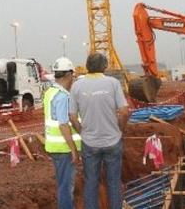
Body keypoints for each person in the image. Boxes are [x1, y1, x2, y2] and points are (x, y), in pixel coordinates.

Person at [69, 53, 129, 209]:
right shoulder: (113, 83)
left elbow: (72, 115)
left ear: (88, 66)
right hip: (112, 141)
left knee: (91, 182)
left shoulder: (77, 86)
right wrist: (119, 130)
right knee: (114, 182)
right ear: (104, 66)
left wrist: (82, 132)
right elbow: (124, 111)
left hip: (90, 143)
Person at [43, 57, 82, 209]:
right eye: (73, 75)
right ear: (68, 75)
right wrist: (74, 150)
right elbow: (63, 124)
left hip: (54, 148)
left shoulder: (50, 92)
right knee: (66, 187)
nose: (73, 78)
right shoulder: (63, 96)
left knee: (62, 184)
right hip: (64, 149)